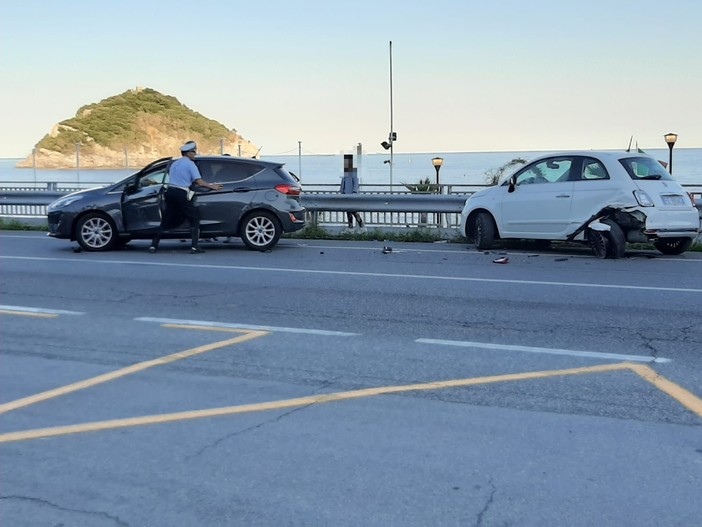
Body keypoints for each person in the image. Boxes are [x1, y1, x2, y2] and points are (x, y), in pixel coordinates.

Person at [149, 141, 223, 254]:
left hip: (170, 192)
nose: (195, 154)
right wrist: (212, 186)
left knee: (166, 219)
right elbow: (199, 181)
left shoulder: (174, 164)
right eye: (193, 152)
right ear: (188, 153)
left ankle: (154, 245)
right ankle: (194, 247)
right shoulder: (190, 164)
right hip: (181, 193)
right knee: (194, 217)